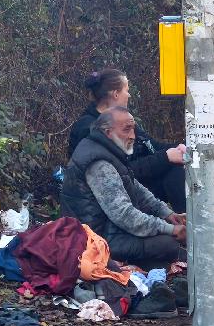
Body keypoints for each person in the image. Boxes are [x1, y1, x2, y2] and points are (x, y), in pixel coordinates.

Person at [61, 108, 186, 268]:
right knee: (168, 244)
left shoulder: (107, 150)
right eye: (127, 129)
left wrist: (167, 213)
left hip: (110, 228)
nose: (133, 136)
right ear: (108, 132)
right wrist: (170, 229)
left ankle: (150, 263)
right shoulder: (99, 164)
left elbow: (136, 189)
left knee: (165, 241)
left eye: (133, 129)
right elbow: (124, 214)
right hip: (96, 238)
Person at [67, 69, 187, 212]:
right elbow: (121, 171)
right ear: (115, 94)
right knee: (173, 169)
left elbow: (151, 145)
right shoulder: (91, 128)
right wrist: (166, 157)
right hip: (106, 198)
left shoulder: (121, 119)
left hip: (133, 184)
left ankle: (187, 222)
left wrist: (181, 148)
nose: (129, 95)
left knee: (176, 168)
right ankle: (188, 227)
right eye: (126, 90)